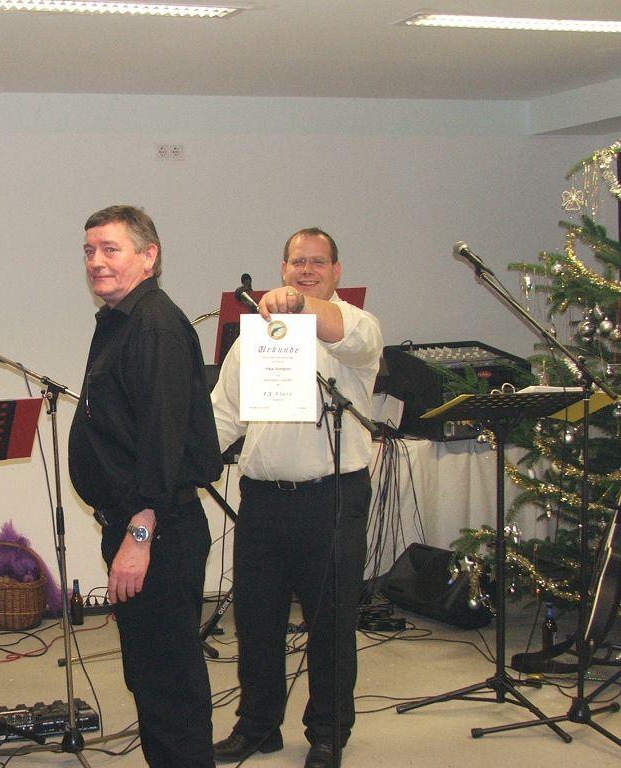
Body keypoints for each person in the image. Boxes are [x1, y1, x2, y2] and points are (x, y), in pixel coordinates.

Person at [211, 227, 382, 768]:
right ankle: (257, 725)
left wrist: (297, 306)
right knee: (256, 620)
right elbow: (222, 415)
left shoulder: (357, 328)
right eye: (297, 263)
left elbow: (337, 329)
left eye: (318, 262)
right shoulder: (253, 340)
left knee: (330, 624)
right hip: (262, 501)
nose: (307, 271)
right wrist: (179, 464)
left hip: (331, 499)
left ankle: (328, 732)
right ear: (282, 268)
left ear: (336, 271)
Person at [68, 204, 222, 768]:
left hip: (157, 530)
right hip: (139, 526)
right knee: (151, 675)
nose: (96, 261)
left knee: (169, 682)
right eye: (89, 251)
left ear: (148, 255)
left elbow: (162, 440)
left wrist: (139, 536)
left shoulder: (153, 325)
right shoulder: (122, 320)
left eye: (111, 249)